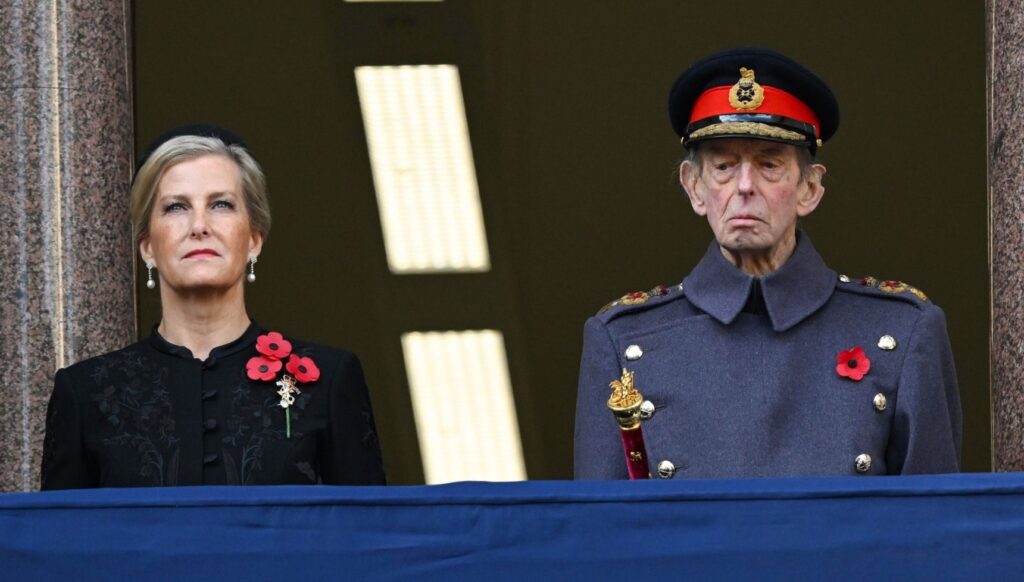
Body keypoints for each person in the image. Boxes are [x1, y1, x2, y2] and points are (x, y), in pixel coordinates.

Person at [574, 48, 962, 479]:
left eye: (769, 165)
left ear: (809, 189)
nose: (744, 186)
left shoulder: (903, 333)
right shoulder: (623, 341)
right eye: (723, 166)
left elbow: (931, 534)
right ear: (694, 188)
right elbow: (598, 539)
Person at [41, 125, 385, 488]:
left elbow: (368, 535)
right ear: (147, 248)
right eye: (176, 207)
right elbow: (60, 540)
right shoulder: (84, 393)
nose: (199, 226)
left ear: (254, 239)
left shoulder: (328, 379)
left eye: (221, 204)